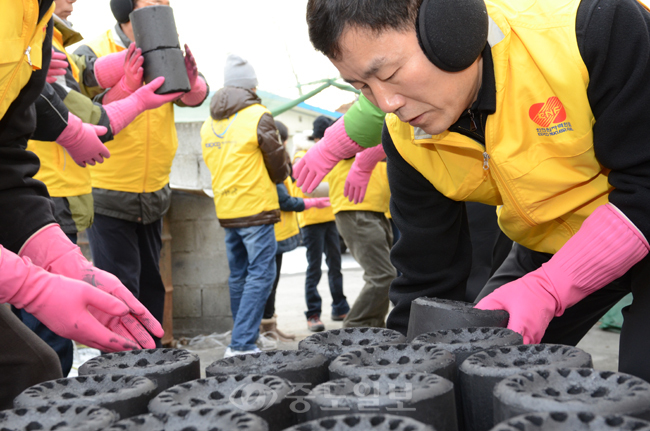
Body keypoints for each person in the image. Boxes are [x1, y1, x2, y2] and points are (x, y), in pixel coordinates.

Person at [301, 0, 650, 381]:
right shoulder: (406, 140)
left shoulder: (591, 28)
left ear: (453, 26)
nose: (387, 104)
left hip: (638, 214)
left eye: (391, 72)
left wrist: (550, 287)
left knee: (640, 384)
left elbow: (645, 186)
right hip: (550, 240)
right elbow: (425, 278)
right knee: (476, 363)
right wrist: (405, 379)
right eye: (363, 87)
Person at [0, 0, 163, 408]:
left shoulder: (34, 25)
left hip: (43, 211)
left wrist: (64, 261)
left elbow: (5, 157)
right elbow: (86, 108)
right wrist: (28, 284)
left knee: (31, 366)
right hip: (86, 197)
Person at [72, 0, 209, 347]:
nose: (164, 4)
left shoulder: (168, 42)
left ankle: (153, 363)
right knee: (120, 289)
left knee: (151, 286)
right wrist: (127, 86)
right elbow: (89, 114)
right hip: (109, 190)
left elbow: (193, 96)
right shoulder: (92, 51)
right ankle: (122, 369)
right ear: (126, 6)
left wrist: (191, 81)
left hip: (154, 191)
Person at [200, 54, 291, 357]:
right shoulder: (257, 115)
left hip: (227, 209)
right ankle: (241, 344)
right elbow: (278, 167)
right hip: (256, 208)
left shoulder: (208, 123)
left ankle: (242, 337)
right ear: (251, 87)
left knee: (239, 275)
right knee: (261, 274)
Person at [261, 121, 332, 340]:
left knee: (272, 282)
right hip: (274, 230)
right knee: (267, 283)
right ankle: (265, 329)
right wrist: (314, 203)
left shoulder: (280, 161)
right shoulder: (275, 161)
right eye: (284, 140)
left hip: (279, 231)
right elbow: (285, 200)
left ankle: (270, 326)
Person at [327, 136, 395, 328]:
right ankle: (356, 326)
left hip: (377, 209)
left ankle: (373, 327)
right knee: (383, 275)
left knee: (386, 275)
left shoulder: (386, 128)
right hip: (354, 208)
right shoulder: (357, 128)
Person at [292, 116, 350, 332]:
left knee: (336, 265)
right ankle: (313, 314)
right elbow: (304, 187)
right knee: (314, 268)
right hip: (311, 220)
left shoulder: (332, 155)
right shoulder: (302, 155)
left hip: (330, 217)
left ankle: (340, 306)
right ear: (319, 136)